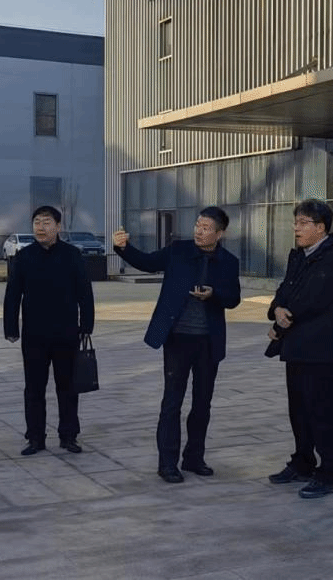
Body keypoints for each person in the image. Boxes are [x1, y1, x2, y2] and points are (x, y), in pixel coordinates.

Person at [112, 207, 241, 483]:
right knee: (172, 402)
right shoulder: (178, 250)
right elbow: (147, 262)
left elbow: (233, 298)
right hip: (177, 339)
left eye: (206, 228)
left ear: (219, 234)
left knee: (202, 403)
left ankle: (194, 458)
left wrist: (214, 294)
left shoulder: (229, 261)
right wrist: (123, 247)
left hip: (208, 342)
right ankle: (167, 463)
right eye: (197, 225)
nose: (199, 231)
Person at [266, 199, 333, 499]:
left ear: (321, 227)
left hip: (319, 349)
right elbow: (285, 290)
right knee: (299, 409)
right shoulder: (300, 256)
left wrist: (282, 320)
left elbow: (312, 300)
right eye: (296, 222)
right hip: (296, 346)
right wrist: (276, 309)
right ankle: (303, 461)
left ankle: (326, 473)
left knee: (320, 410)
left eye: (303, 223)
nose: (296, 228)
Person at [4, 206, 95, 456]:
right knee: (34, 388)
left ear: (58, 227)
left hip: (67, 333)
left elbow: (85, 292)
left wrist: (86, 325)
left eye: (46, 223)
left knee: (68, 387)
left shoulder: (72, 255)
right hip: (34, 335)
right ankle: (35, 438)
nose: (40, 228)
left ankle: (69, 436)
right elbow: (12, 294)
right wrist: (11, 328)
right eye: (36, 222)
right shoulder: (24, 257)